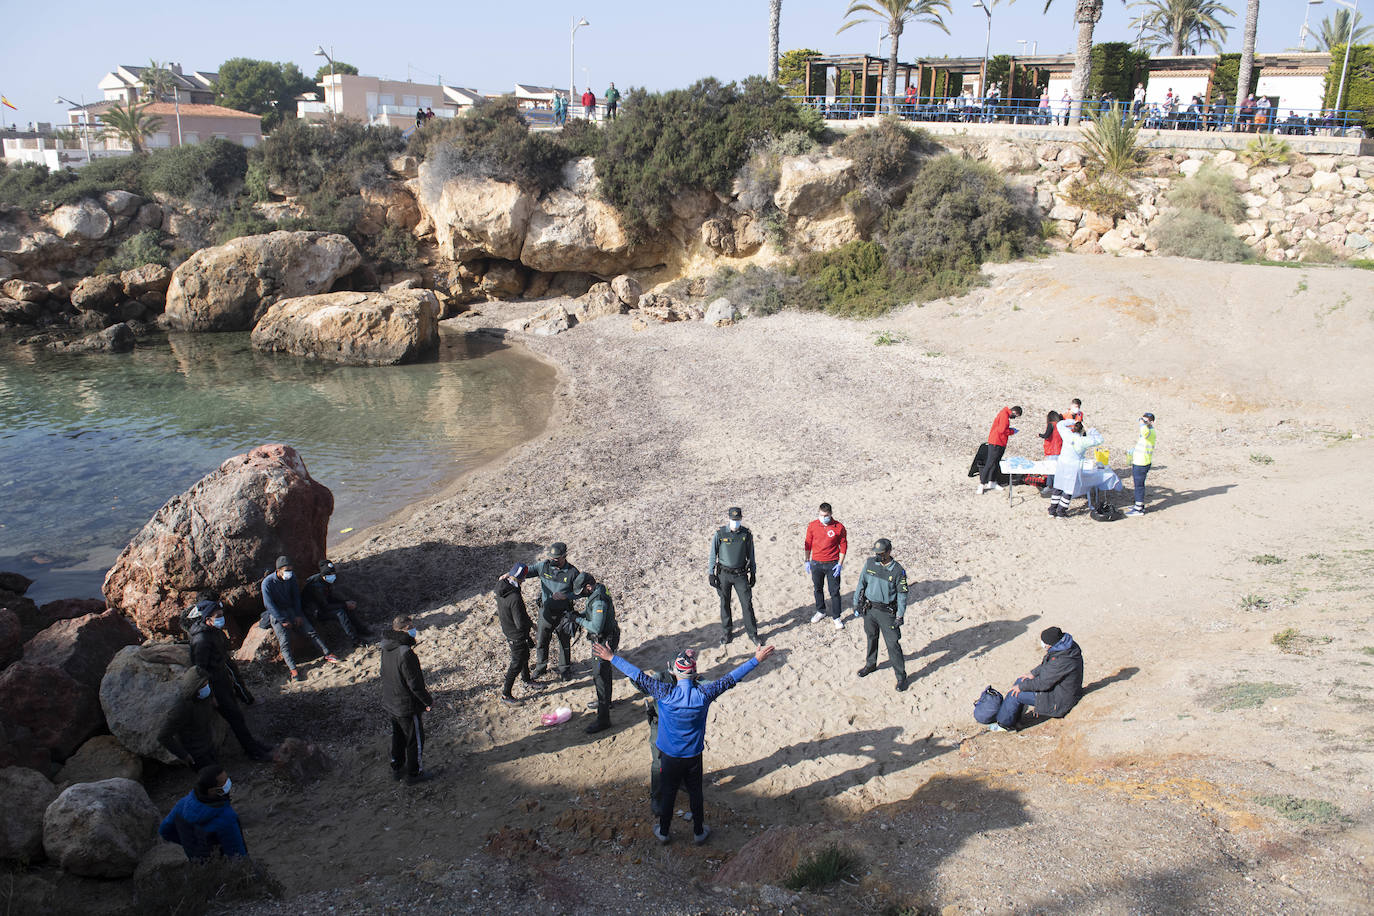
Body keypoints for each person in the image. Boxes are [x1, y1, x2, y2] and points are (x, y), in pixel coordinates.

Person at [593, 640, 777, 845]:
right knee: (696, 793)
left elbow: (636, 675)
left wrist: (611, 658)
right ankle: (698, 832)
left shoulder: (664, 693)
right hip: (693, 756)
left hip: (670, 756)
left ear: (674, 673)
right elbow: (731, 678)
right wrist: (756, 660)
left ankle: (663, 831)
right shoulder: (704, 694)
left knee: (668, 792)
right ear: (695, 674)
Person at [187, 596, 274, 761]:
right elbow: (199, 669)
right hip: (215, 685)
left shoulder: (213, 632)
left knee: (238, 716)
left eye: (221, 615)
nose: (221, 619)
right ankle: (252, 752)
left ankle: (253, 745)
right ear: (207, 619)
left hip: (223, 680)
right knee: (235, 719)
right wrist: (211, 695)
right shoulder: (202, 639)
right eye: (217, 616)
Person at [990, 626, 1084, 732]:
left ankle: (1004, 724)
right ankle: (1014, 719)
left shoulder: (1061, 660)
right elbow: (1049, 666)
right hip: (1062, 691)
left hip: (1059, 702)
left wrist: (1021, 687)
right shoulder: (1066, 648)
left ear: (1051, 644)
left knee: (1015, 694)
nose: (1043, 645)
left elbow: (1043, 683)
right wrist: (1032, 673)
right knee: (1021, 680)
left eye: (1045, 643)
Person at [261, 556, 337, 682]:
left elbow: (296, 597)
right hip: (277, 614)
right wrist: (282, 620)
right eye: (286, 570)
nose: (289, 573)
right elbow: (269, 605)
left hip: (291, 609)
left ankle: (327, 653)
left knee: (310, 631)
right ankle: (293, 669)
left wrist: (297, 614)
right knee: (284, 641)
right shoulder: (267, 583)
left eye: (291, 570)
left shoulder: (291, 578)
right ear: (278, 570)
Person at [381, 614, 434, 785]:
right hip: (406, 705)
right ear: (405, 629)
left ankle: (397, 766)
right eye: (411, 627)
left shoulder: (386, 648)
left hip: (391, 701)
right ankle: (414, 773)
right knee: (414, 739)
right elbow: (415, 684)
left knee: (398, 736)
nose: (414, 630)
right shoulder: (406, 653)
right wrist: (427, 701)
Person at [853, 538, 910, 692]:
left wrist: (900, 615)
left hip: (887, 613)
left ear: (889, 552)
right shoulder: (870, 564)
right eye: (876, 553)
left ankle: (901, 677)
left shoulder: (898, 571)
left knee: (892, 645)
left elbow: (902, 595)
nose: (878, 556)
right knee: (871, 638)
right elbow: (861, 584)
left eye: (881, 553)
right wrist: (856, 603)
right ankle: (870, 664)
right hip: (870, 609)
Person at [158, 766, 248, 861]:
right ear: (211, 790)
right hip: (221, 865)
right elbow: (238, 855)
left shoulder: (182, 805)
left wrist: (190, 845)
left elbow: (164, 830)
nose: (228, 783)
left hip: (197, 862)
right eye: (224, 782)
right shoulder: (226, 817)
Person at [571, 572, 620, 734]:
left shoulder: (598, 600)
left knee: (600, 675)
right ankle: (606, 702)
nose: (582, 595)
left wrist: (577, 620)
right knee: (605, 672)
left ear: (588, 586)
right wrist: (580, 615)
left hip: (603, 642)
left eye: (582, 592)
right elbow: (592, 614)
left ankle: (603, 719)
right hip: (608, 636)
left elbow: (596, 627)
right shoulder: (599, 590)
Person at [529, 542, 580, 680]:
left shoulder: (573, 573)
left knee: (564, 643)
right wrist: (510, 574)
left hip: (564, 614)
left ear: (564, 556)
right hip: (545, 612)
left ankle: (564, 670)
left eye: (556, 558)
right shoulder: (543, 566)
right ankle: (540, 667)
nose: (553, 560)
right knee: (542, 641)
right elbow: (527, 571)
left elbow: (580, 592)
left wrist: (567, 596)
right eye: (552, 557)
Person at [709, 507, 758, 646]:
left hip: (740, 574)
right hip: (723, 574)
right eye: (733, 519)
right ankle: (727, 632)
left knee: (747, 603)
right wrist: (711, 573)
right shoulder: (720, 534)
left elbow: (751, 555)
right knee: (724, 604)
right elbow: (713, 554)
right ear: (729, 518)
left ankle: (752, 633)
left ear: (741, 519)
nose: (735, 522)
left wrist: (753, 572)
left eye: (737, 520)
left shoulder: (746, 534)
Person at [158, 667, 223, 771]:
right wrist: (183, 755)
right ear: (195, 688)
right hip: (197, 754)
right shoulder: (182, 708)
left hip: (209, 745)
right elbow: (163, 736)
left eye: (207, 683)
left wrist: (212, 697)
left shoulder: (204, 695)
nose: (207, 687)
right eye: (204, 685)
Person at [803, 502, 848, 630]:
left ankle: (836, 617)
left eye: (826, 515)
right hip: (816, 563)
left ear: (830, 514)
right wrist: (807, 560)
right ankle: (820, 611)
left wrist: (840, 564)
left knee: (834, 591)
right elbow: (808, 543)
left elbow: (843, 545)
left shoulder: (838, 527)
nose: (823, 518)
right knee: (818, 588)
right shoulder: (813, 525)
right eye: (821, 515)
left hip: (832, 563)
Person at [300, 560, 364, 648]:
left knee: (347, 606)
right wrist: (345, 605)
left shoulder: (325, 581)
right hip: (314, 612)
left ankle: (362, 630)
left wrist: (345, 602)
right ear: (324, 575)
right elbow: (325, 606)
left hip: (322, 605)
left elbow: (329, 598)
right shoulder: (316, 586)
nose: (333, 576)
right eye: (330, 574)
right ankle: (355, 640)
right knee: (340, 613)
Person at [1048, 418, 1104, 518]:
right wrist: (1090, 430)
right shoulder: (1084, 441)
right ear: (1083, 431)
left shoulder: (1067, 435)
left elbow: (1060, 424)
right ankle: (1061, 511)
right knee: (1068, 490)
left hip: (1062, 464)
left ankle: (1052, 510)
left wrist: (1073, 421)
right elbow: (1100, 439)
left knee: (1058, 487)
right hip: (1073, 466)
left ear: (1074, 429)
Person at [496, 564, 534, 704]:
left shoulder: (502, 586)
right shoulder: (514, 598)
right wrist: (529, 627)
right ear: (522, 578)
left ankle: (526, 679)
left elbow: (504, 578)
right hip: (516, 634)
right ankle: (506, 694)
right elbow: (520, 622)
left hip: (507, 629)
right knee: (517, 663)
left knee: (524, 656)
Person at [978, 405, 1022, 494]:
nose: (1014, 418)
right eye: (1016, 416)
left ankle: (992, 482)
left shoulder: (1004, 414)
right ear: (1015, 412)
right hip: (996, 442)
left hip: (999, 442)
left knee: (995, 462)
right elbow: (1002, 430)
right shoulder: (1004, 415)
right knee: (990, 463)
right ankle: (981, 484)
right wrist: (1012, 431)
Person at [1126, 412, 1157, 517]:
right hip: (1139, 461)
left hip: (1142, 463)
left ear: (1151, 422)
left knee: (1139, 486)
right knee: (1137, 484)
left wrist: (1142, 423)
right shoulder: (1148, 431)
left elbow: (1144, 432)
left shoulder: (1149, 431)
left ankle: (1138, 508)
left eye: (1146, 420)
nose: (1144, 422)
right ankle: (1138, 505)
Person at [1037, 410, 1063, 496]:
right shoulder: (1060, 425)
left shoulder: (1051, 424)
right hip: (1060, 449)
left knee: (1051, 470)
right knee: (1058, 470)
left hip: (1052, 450)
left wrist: (1039, 435)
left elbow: (1047, 435)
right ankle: (1057, 487)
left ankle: (1050, 487)